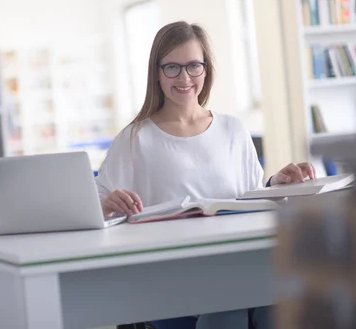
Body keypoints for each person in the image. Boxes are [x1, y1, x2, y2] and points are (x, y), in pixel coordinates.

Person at [95, 21, 315, 329]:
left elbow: (249, 197)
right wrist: (107, 204)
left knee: (276, 303)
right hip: (170, 277)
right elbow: (94, 207)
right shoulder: (135, 138)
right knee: (229, 309)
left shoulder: (233, 129)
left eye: (193, 66)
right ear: (156, 73)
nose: (184, 77)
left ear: (206, 70)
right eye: (172, 67)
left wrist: (275, 185)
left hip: (236, 262)